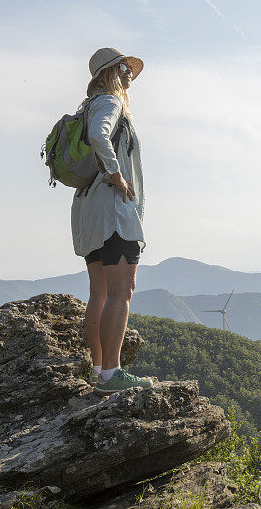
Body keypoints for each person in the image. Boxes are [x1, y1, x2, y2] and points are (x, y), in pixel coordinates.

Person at [71, 47, 153, 396]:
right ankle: (111, 374)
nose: (129, 74)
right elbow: (99, 136)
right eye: (124, 68)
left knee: (99, 292)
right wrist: (117, 174)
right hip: (113, 212)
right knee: (122, 291)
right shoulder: (108, 102)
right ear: (111, 72)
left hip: (89, 211)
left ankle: (98, 369)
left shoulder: (86, 106)